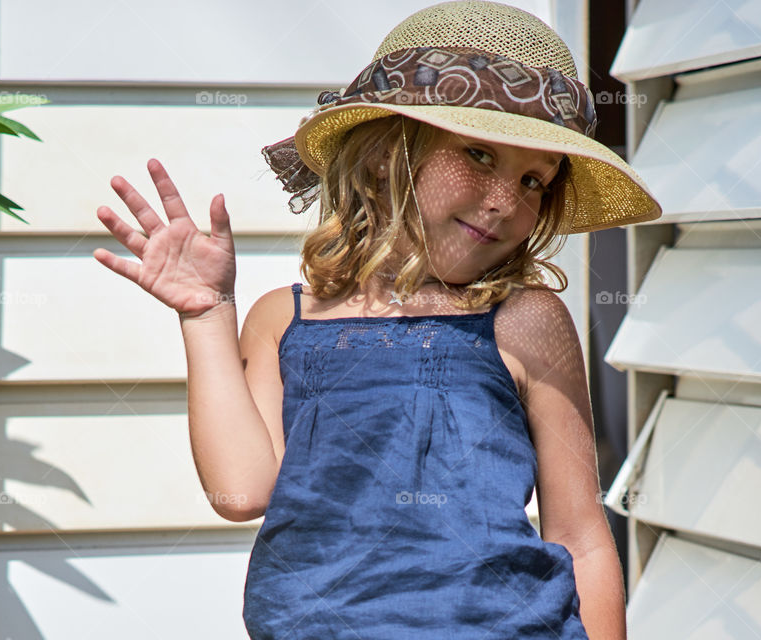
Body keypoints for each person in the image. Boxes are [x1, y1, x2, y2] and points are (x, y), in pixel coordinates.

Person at [93, 1, 661, 638]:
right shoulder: (284, 319)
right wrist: (206, 315)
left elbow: (580, 535)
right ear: (387, 154)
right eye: (477, 155)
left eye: (533, 181)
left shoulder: (525, 320)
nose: (505, 202)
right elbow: (242, 491)